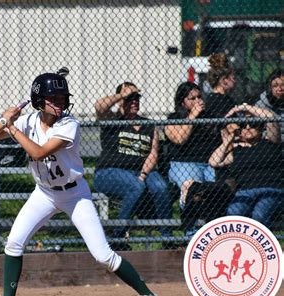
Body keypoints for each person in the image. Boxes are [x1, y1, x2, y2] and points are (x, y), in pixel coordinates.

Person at [0, 73, 161, 296]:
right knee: (14, 243)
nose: (59, 102)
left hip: (74, 193)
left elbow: (38, 153)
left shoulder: (69, 124)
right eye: (52, 98)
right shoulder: (28, 121)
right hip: (44, 193)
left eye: (62, 98)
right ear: (38, 100)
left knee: (102, 254)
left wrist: (12, 126)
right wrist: (5, 122)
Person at [93, 82, 172, 240]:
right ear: (120, 100)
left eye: (137, 98)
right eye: (130, 98)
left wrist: (143, 174)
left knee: (161, 187)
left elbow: (153, 154)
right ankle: (118, 236)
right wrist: (122, 94)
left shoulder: (149, 125)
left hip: (142, 171)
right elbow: (99, 106)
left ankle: (167, 237)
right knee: (136, 186)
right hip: (109, 171)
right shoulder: (112, 119)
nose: (134, 101)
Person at [165, 82, 234, 231]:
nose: (198, 101)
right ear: (182, 101)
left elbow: (227, 140)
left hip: (210, 164)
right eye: (192, 98)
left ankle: (210, 234)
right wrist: (193, 115)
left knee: (214, 194)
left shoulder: (211, 117)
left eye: (199, 97)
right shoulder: (174, 118)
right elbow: (179, 139)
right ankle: (191, 233)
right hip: (184, 164)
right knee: (194, 190)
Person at [209, 106, 283, 228]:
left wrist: (245, 107)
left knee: (259, 215)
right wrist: (228, 140)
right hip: (246, 192)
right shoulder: (237, 151)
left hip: (272, 190)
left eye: (253, 124)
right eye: (243, 125)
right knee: (233, 213)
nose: (248, 128)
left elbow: (271, 118)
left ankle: (260, 246)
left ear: (260, 128)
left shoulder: (271, 142)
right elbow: (214, 162)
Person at [255, 69, 283, 145]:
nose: (280, 89)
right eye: (275, 86)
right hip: (270, 146)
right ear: (270, 88)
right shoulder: (261, 105)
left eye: (283, 85)